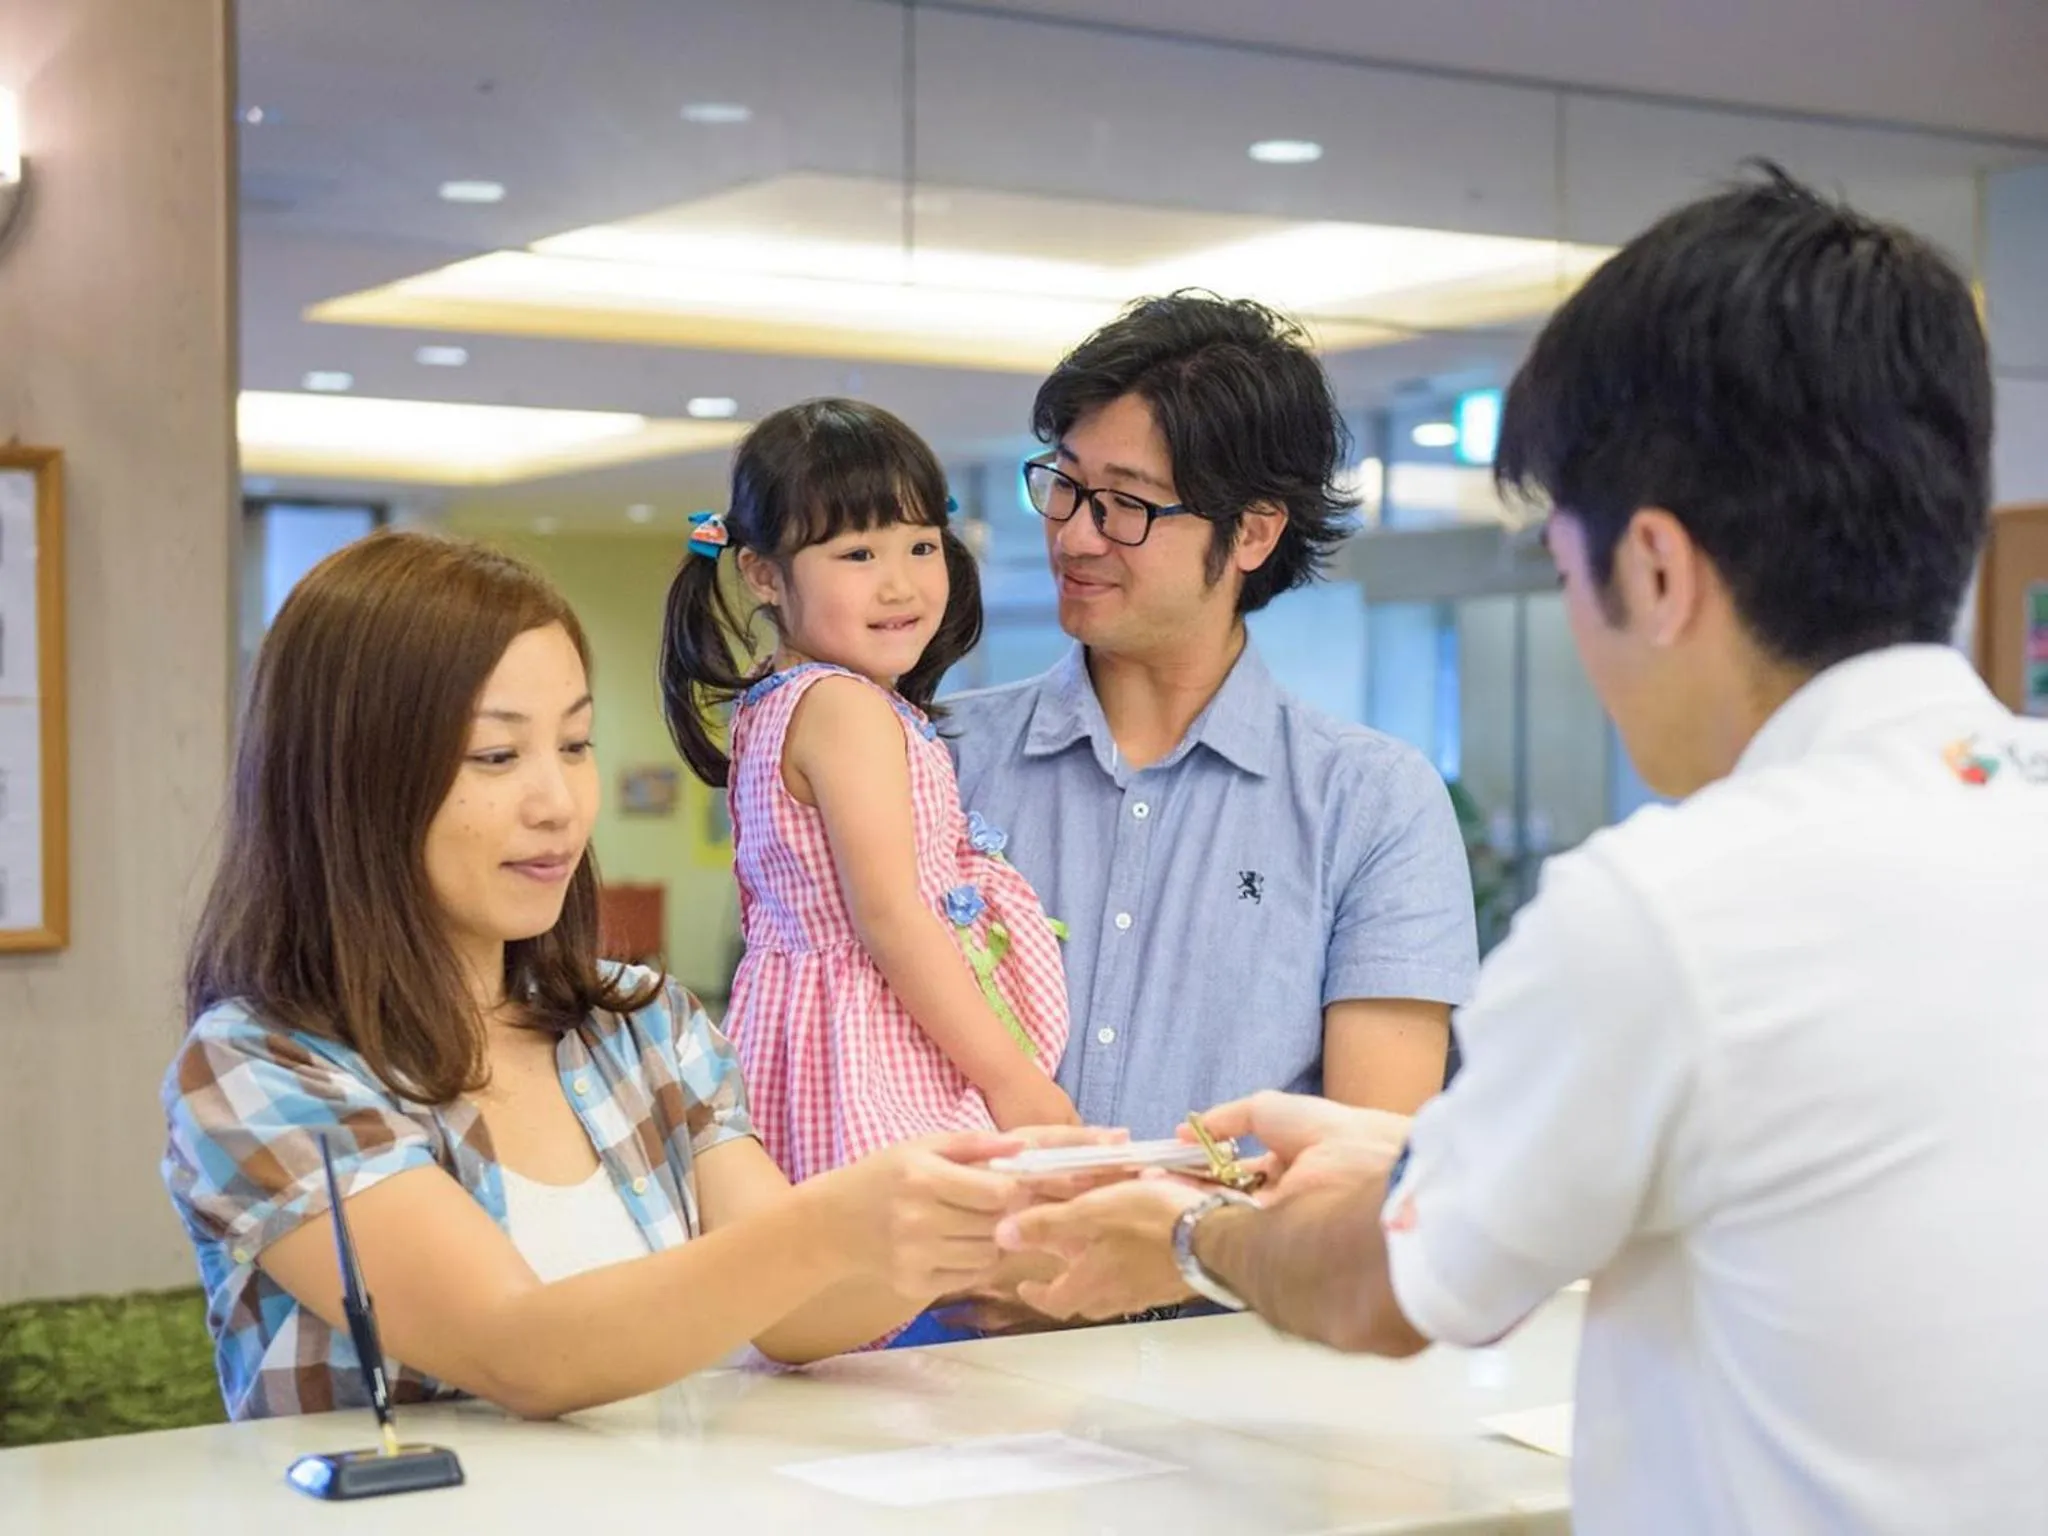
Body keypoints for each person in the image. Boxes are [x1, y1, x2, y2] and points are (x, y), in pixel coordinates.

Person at [997, 168, 2048, 1533]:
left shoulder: (1668, 912)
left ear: (1656, 572)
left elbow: (1395, 1286)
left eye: (1565, 571)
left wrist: (1187, 1233)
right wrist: (1401, 1145)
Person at [163, 529, 1047, 1422]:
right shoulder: (262, 1068)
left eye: (577, 744)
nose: (558, 805)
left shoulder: (642, 1025)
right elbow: (521, 1351)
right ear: (350, 780)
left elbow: (797, 1315)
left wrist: (980, 1216)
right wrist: (835, 1224)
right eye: (497, 757)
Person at [944, 293, 1477, 1142]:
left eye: (1125, 503)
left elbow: (1368, 1182)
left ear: (1255, 533)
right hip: (947, 1277)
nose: (1076, 537)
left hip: (1229, 1279)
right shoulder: (938, 757)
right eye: (1065, 484)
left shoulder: (1371, 803)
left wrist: (1167, 1238)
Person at [661, 398, 1074, 1185]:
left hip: (808, 1032)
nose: (901, 585)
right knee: (926, 1264)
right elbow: (889, 917)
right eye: (856, 555)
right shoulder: (845, 708)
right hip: (875, 1042)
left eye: (921, 545)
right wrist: (1010, 1080)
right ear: (761, 574)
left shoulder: (777, 696)